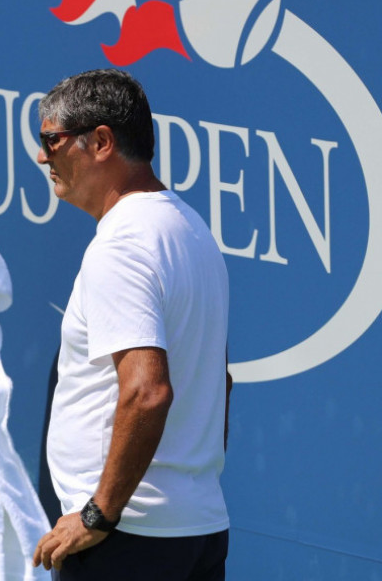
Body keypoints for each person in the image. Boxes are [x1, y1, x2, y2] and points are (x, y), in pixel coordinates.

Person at [31, 69, 232, 580]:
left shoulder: (122, 246)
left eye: (51, 140)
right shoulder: (192, 232)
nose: (42, 157)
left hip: (126, 541)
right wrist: (185, 490)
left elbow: (147, 391)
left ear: (100, 142)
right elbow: (220, 382)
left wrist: (100, 512)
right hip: (195, 529)